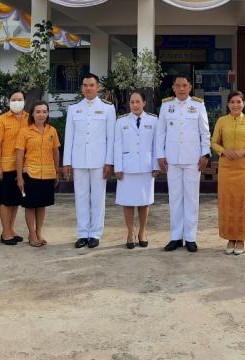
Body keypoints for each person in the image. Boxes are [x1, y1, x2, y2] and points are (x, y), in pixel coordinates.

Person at [156, 74, 210, 253]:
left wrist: (205, 154)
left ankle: (191, 237)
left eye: (184, 85)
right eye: (178, 85)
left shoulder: (198, 105)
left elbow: (204, 132)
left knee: (192, 198)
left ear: (190, 87)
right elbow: (160, 132)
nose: (181, 89)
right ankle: (176, 237)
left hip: (193, 159)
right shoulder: (166, 105)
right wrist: (160, 155)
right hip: (172, 159)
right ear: (173, 88)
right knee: (175, 198)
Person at [63, 74, 116, 249]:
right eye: (85, 85)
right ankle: (82, 233)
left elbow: (111, 138)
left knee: (98, 198)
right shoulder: (74, 109)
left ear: (98, 87)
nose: (88, 88)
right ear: (82, 88)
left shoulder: (108, 108)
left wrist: (109, 162)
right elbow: (69, 137)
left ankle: (95, 233)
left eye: (91, 85)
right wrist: (67, 162)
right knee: (80, 197)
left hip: (99, 161)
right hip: (79, 160)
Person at [211, 90, 245, 256]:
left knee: (242, 202)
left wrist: (244, 151)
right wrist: (223, 151)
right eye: (232, 102)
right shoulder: (221, 121)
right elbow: (213, 142)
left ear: (243, 104)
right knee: (227, 203)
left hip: (244, 168)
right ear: (228, 104)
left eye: (239, 102)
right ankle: (230, 238)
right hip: (226, 168)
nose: (235, 105)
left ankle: (240, 238)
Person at [113, 90, 159, 249]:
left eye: (138, 102)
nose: (135, 105)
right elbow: (117, 145)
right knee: (127, 202)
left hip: (146, 167)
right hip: (127, 168)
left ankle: (142, 232)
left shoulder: (153, 120)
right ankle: (130, 232)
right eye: (132, 102)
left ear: (144, 103)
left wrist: (156, 165)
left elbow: (156, 145)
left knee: (144, 202)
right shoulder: (121, 121)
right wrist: (118, 167)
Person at [16, 101, 61, 247]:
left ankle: (39, 232)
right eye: (38, 112)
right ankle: (32, 234)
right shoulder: (25, 131)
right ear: (32, 114)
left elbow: (55, 152)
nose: (41, 115)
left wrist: (56, 172)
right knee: (30, 205)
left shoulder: (52, 131)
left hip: (47, 174)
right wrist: (20, 177)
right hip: (30, 173)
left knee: (42, 205)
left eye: (44, 111)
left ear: (47, 114)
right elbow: (19, 155)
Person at [0, 90, 28, 245]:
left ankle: (11, 230)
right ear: (8, 102)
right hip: (6, 167)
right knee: (5, 201)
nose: (17, 102)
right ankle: (5, 233)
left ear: (25, 101)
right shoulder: (1, 120)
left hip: (23, 167)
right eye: (13, 99)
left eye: (20, 99)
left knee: (15, 200)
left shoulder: (29, 118)